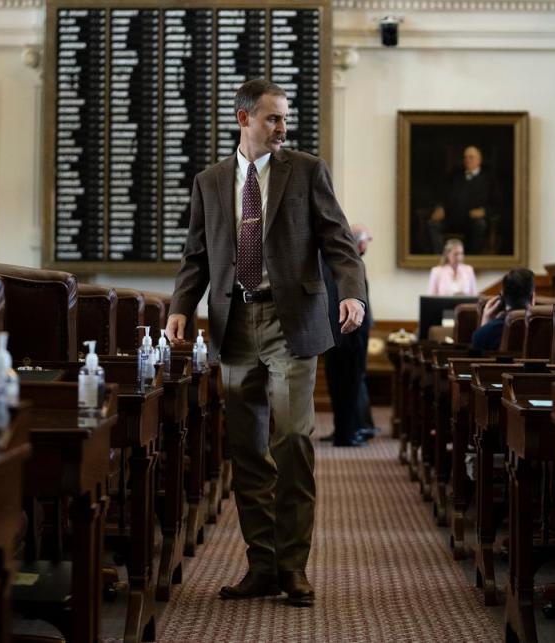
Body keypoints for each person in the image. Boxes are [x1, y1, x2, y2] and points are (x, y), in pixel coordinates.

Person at [164, 79, 367, 607]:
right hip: (234, 327)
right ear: (243, 119)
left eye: (285, 118)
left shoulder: (305, 170)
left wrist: (352, 295)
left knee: (293, 441)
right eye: (273, 118)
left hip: (291, 322)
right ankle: (262, 565)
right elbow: (196, 257)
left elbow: (339, 242)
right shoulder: (210, 182)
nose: (282, 127)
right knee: (247, 451)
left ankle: (294, 568)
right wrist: (181, 307)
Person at [323, 224, 374, 447]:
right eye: (366, 240)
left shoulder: (328, 262)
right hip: (351, 336)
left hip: (332, 335)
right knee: (350, 386)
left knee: (338, 386)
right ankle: (348, 433)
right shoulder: (351, 264)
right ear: (359, 243)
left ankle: (343, 430)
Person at [427, 145, 500, 255]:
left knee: (480, 225)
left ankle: (472, 259)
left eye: (471, 157)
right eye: (465, 157)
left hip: (471, 220)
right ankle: (441, 259)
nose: (467, 160)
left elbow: (497, 204)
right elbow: (441, 195)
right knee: (433, 224)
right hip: (452, 218)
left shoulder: (488, 179)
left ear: (479, 160)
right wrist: (440, 207)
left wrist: (484, 211)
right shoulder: (455, 176)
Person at [471, 268, 535, 352]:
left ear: (502, 296)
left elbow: (478, 360)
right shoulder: (547, 330)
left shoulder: (482, 334)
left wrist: (484, 327)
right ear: (532, 298)